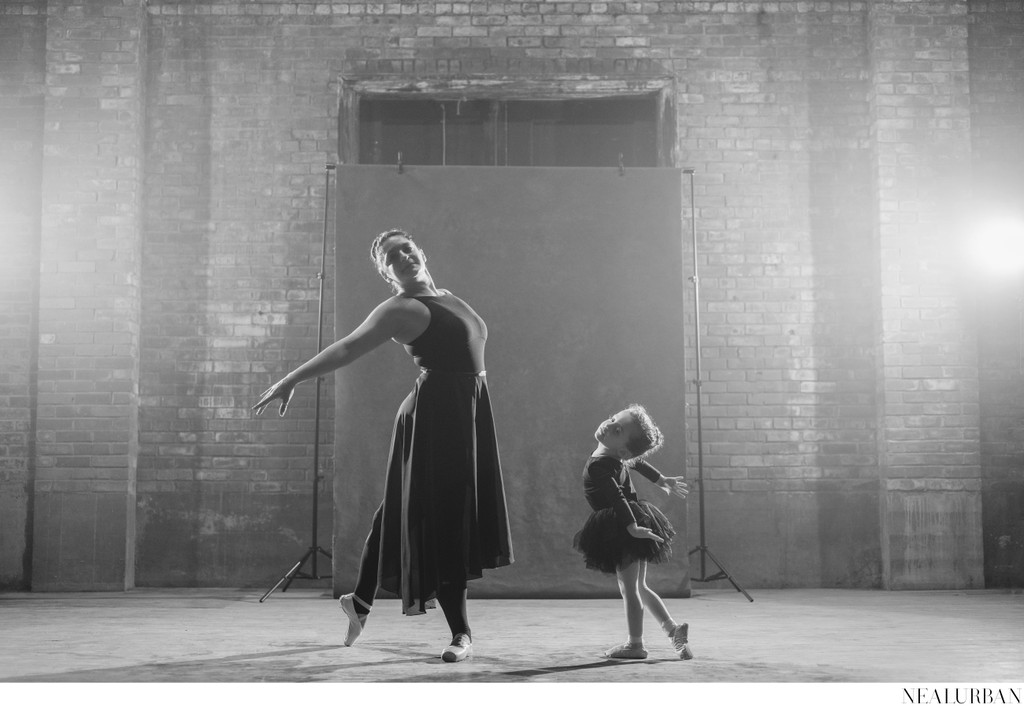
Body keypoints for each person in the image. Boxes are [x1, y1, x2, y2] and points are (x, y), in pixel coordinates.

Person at [253, 228, 513, 663]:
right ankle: (461, 633)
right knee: (447, 515)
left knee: (397, 508)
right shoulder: (400, 308)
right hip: (436, 415)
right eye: (392, 257)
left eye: (407, 249)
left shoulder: (446, 296)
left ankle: (359, 602)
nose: (404, 257)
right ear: (385, 271)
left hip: (464, 410)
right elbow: (348, 347)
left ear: (421, 251)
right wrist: (291, 379)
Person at [572, 404, 693, 661]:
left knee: (630, 589)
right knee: (640, 585)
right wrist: (662, 480)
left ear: (623, 449)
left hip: (623, 526)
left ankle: (635, 644)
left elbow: (617, 496)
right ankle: (673, 631)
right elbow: (639, 464)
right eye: (613, 418)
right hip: (630, 522)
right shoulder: (616, 455)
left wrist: (630, 527)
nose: (609, 424)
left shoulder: (600, 465)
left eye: (617, 429)